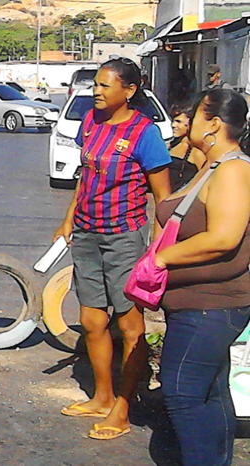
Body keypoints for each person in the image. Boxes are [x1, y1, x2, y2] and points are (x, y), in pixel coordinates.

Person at [53, 57, 172, 440]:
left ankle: (123, 404)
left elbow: (163, 197)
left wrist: (157, 247)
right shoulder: (89, 122)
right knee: (91, 320)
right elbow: (84, 175)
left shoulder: (144, 133)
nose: (97, 92)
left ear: (130, 90)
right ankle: (102, 395)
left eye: (105, 86)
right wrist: (69, 217)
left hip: (125, 236)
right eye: (95, 86)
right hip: (87, 233)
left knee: (129, 324)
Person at [154, 88, 250, 466]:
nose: (185, 121)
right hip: (195, 303)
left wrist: (162, 258)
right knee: (208, 392)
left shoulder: (233, 169)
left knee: (182, 393)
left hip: (211, 304)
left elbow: (223, 237)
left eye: (193, 115)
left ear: (213, 124)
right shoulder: (211, 165)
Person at [168, 100, 206, 192]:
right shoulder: (170, 146)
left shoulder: (197, 153)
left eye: (178, 121)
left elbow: (205, 181)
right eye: (173, 120)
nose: (173, 125)